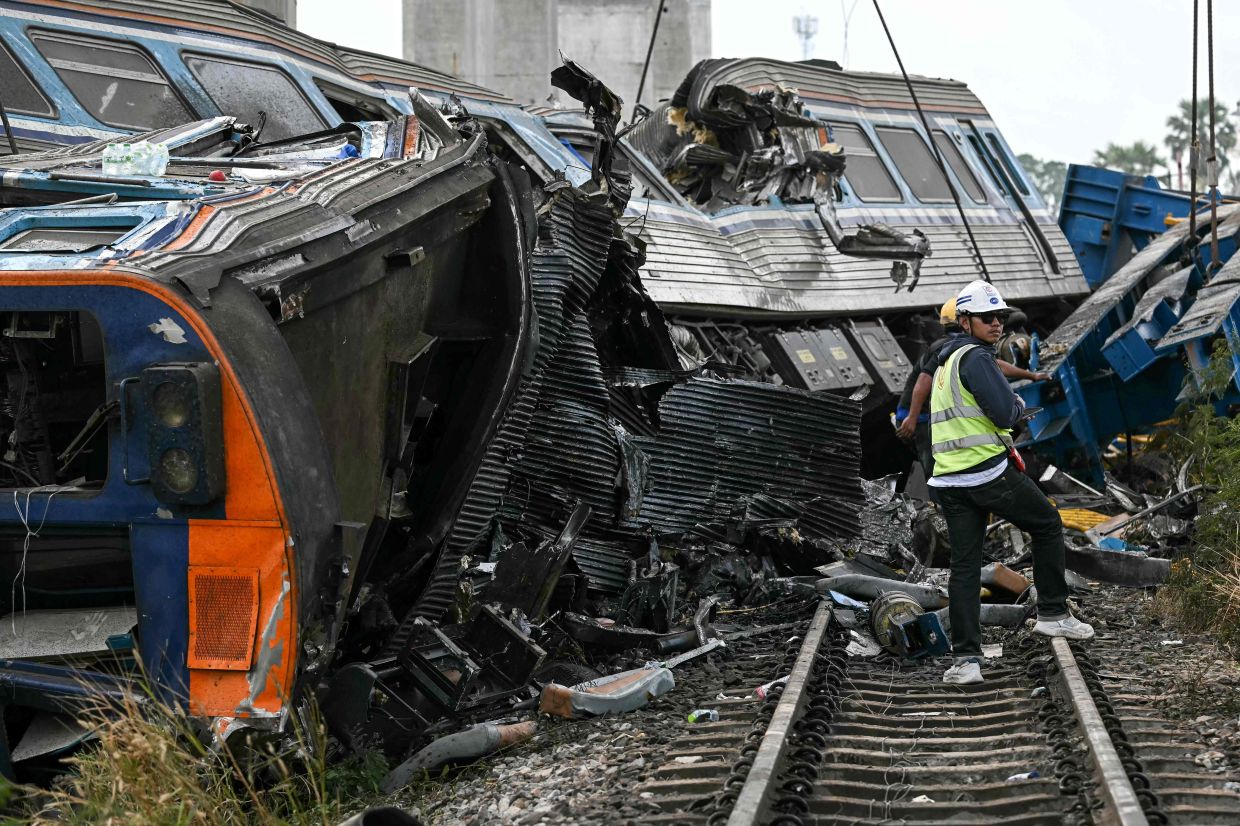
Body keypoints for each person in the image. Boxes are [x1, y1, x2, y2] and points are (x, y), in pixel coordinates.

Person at [928, 280, 1093, 686]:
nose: (996, 324)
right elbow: (1003, 413)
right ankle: (1054, 614)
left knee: (964, 566)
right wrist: (1019, 405)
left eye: (999, 316)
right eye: (987, 318)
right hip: (985, 472)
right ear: (965, 321)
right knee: (1047, 524)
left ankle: (966, 661)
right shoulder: (977, 359)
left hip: (950, 479)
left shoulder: (945, 363)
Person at [895, 299, 1049, 479]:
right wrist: (912, 418)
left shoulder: (963, 345)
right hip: (916, 417)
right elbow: (923, 380)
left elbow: (996, 364)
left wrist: (1032, 376)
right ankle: (943, 504)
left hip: (928, 415)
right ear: (964, 322)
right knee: (937, 466)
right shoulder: (946, 347)